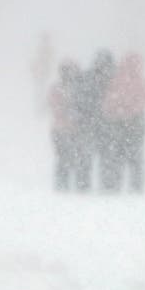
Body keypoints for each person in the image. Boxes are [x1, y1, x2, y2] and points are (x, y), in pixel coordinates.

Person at [100, 52, 145, 192]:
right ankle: (134, 184)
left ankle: (117, 183)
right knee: (133, 155)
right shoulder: (140, 81)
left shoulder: (117, 80)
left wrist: (118, 109)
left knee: (119, 153)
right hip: (133, 122)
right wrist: (129, 109)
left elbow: (109, 101)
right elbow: (144, 100)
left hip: (121, 122)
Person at [74, 49, 115, 191]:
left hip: (102, 124)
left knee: (105, 158)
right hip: (92, 124)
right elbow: (78, 100)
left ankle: (107, 187)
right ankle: (85, 187)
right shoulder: (88, 78)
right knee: (89, 158)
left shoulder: (114, 79)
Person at [48, 59, 81, 191]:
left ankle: (64, 184)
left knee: (65, 158)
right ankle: (64, 185)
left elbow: (55, 106)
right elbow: (56, 107)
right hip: (66, 129)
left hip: (62, 129)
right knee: (66, 158)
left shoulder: (58, 89)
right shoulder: (70, 89)